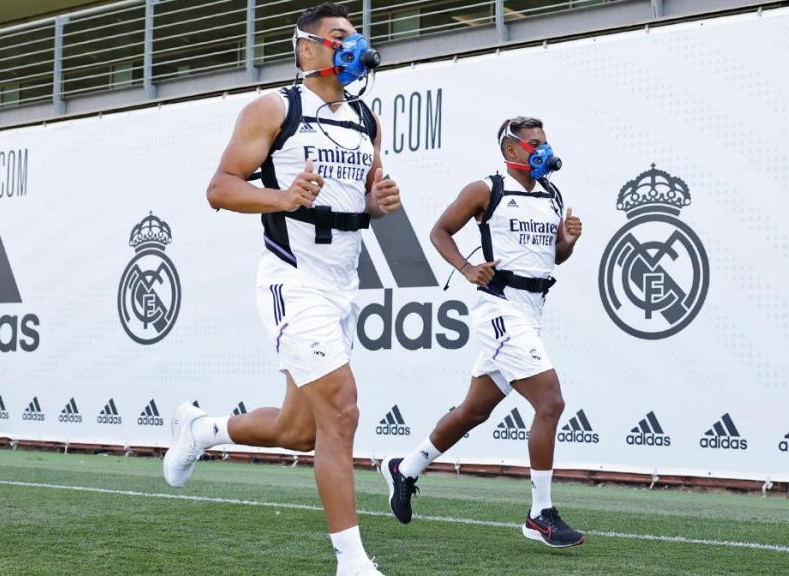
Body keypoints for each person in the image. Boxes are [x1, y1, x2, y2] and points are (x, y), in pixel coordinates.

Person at [163, 4, 398, 575]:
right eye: (339, 37)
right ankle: (352, 562)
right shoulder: (274, 108)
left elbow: (356, 199)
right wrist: (281, 198)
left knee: (299, 430)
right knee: (341, 411)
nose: (353, 47)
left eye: (356, 37)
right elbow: (219, 188)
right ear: (307, 47)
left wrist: (374, 204)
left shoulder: (367, 119)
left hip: (344, 283)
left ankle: (203, 429)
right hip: (292, 280)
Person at [381, 117, 586, 548]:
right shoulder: (486, 189)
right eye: (533, 144)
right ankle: (539, 515)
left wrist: (566, 241)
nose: (541, 150)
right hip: (498, 306)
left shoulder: (551, 193)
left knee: (474, 411)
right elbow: (439, 231)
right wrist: (467, 269)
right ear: (511, 151)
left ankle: (406, 467)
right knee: (550, 401)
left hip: (532, 310)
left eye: (544, 143)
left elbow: (553, 258)